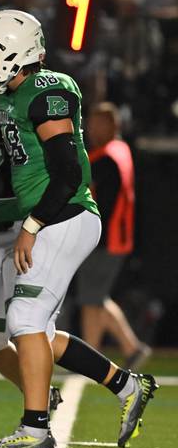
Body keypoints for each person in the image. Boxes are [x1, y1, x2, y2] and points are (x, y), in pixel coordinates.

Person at [0, 10, 158, 448]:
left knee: (24, 319)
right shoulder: (14, 96)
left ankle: (34, 428)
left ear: (14, 54)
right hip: (51, 216)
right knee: (36, 331)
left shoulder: (45, 89)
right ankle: (127, 386)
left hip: (64, 215)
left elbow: (68, 174)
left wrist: (31, 226)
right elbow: (16, 173)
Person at [77, 102, 150, 369]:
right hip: (118, 236)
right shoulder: (121, 151)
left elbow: (98, 201)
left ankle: (89, 358)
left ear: (112, 125)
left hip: (105, 237)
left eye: (98, 124)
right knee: (97, 297)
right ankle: (132, 347)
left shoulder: (107, 157)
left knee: (90, 299)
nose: (92, 129)